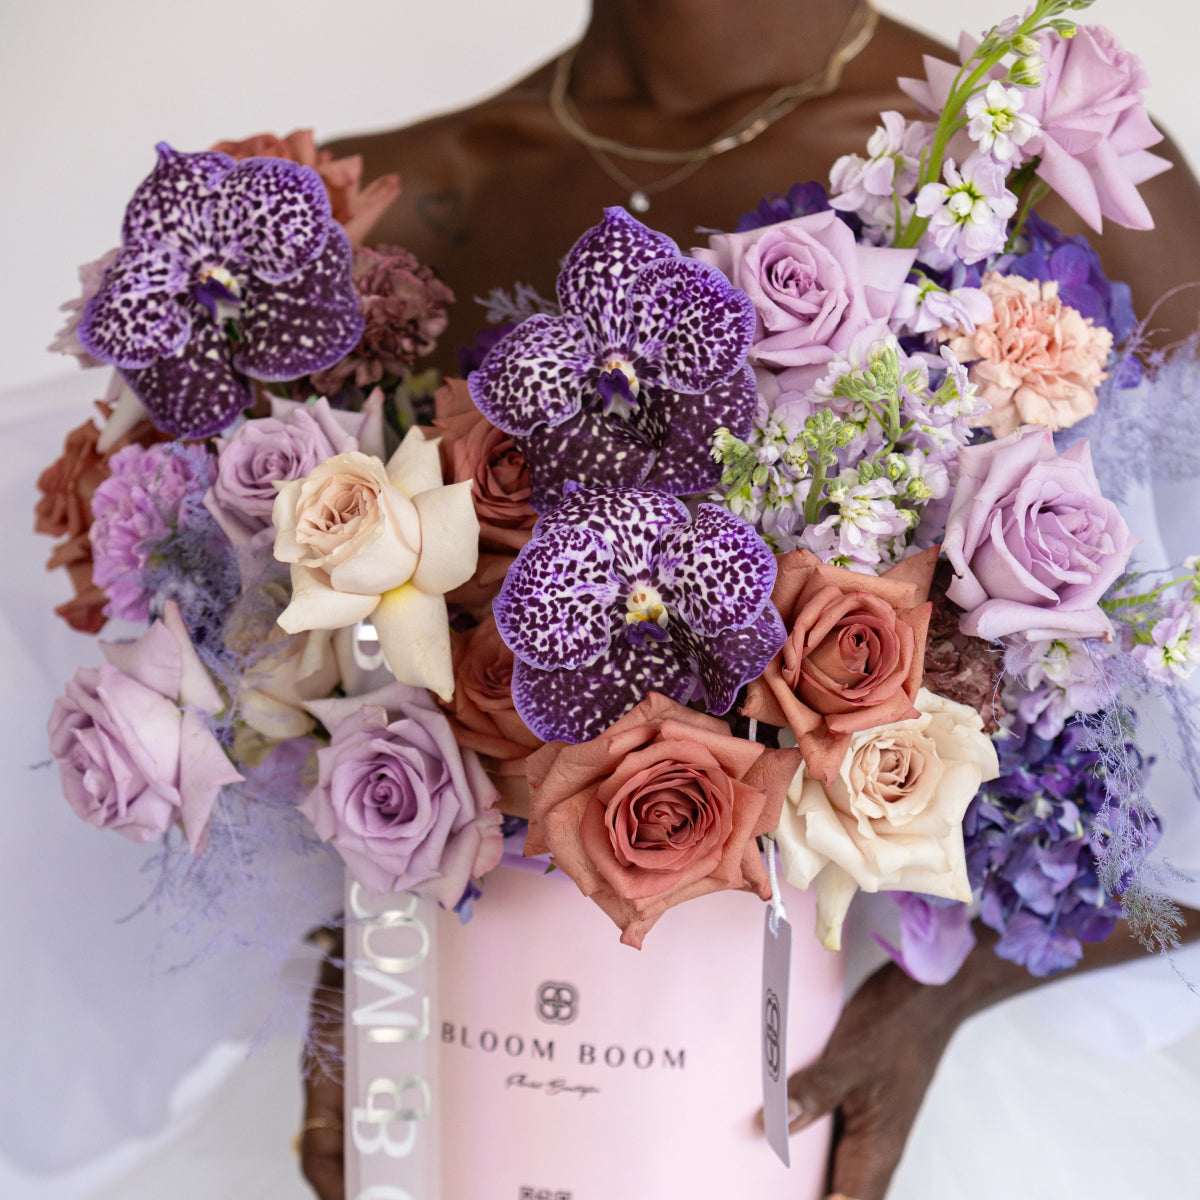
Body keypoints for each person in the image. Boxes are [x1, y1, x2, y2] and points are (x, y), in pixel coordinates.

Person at [299, 2, 1200, 1198]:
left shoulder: (1019, 161)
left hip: (877, 1095)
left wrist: (949, 997)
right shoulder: (420, 197)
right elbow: (307, 674)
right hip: (490, 1081)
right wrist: (357, 959)